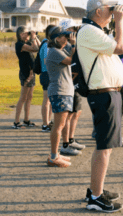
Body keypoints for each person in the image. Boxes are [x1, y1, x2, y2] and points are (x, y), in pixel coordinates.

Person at [77, 0, 123, 213]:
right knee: (104, 147)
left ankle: (96, 190)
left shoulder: (95, 31)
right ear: (98, 11)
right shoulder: (89, 31)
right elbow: (120, 48)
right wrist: (119, 21)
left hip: (108, 93)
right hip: (103, 94)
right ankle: (95, 198)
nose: (114, 11)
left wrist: (114, 21)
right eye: (110, 8)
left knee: (106, 146)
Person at [46, 26, 76, 168]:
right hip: (60, 91)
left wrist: (72, 35)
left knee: (61, 125)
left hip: (63, 91)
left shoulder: (60, 49)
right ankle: (53, 157)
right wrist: (74, 44)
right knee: (58, 126)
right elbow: (72, 60)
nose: (67, 37)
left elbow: (73, 52)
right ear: (57, 38)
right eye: (65, 35)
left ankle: (56, 154)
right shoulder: (55, 52)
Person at [58, 19, 86, 156]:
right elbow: (70, 60)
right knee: (68, 115)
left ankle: (71, 138)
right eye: (72, 29)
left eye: (76, 28)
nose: (75, 31)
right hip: (68, 82)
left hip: (77, 81)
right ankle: (65, 144)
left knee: (77, 112)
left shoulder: (74, 43)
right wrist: (74, 45)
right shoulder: (64, 46)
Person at [12, 26, 41, 129]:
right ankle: (16, 122)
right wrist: (33, 38)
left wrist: (35, 37)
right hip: (25, 73)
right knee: (23, 97)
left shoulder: (27, 43)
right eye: (26, 33)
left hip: (31, 73)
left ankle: (26, 120)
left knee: (29, 97)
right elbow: (35, 49)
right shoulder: (19, 45)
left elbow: (40, 47)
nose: (28, 34)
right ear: (21, 34)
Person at [39, 25, 55, 132]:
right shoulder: (45, 45)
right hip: (46, 74)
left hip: (49, 74)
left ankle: (48, 121)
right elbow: (46, 61)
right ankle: (45, 124)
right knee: (47, 100)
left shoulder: (47, 44)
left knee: (49, 100)